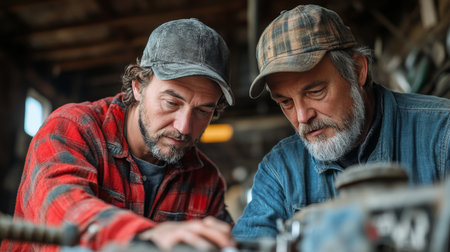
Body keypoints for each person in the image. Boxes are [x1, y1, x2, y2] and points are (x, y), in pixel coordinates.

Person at [2, 18, 236, 251]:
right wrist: (148, 235)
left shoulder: (207, 180)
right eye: (171, 102)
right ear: (138, 86)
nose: (184, 127)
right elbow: (63, 211)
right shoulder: (71, 128)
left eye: (203, 110)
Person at [232, 4, 450, 240]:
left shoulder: (442, 132)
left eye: (315, 91)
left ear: (358, 71)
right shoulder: (279, 172)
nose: (303, 117)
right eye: (286, 102)